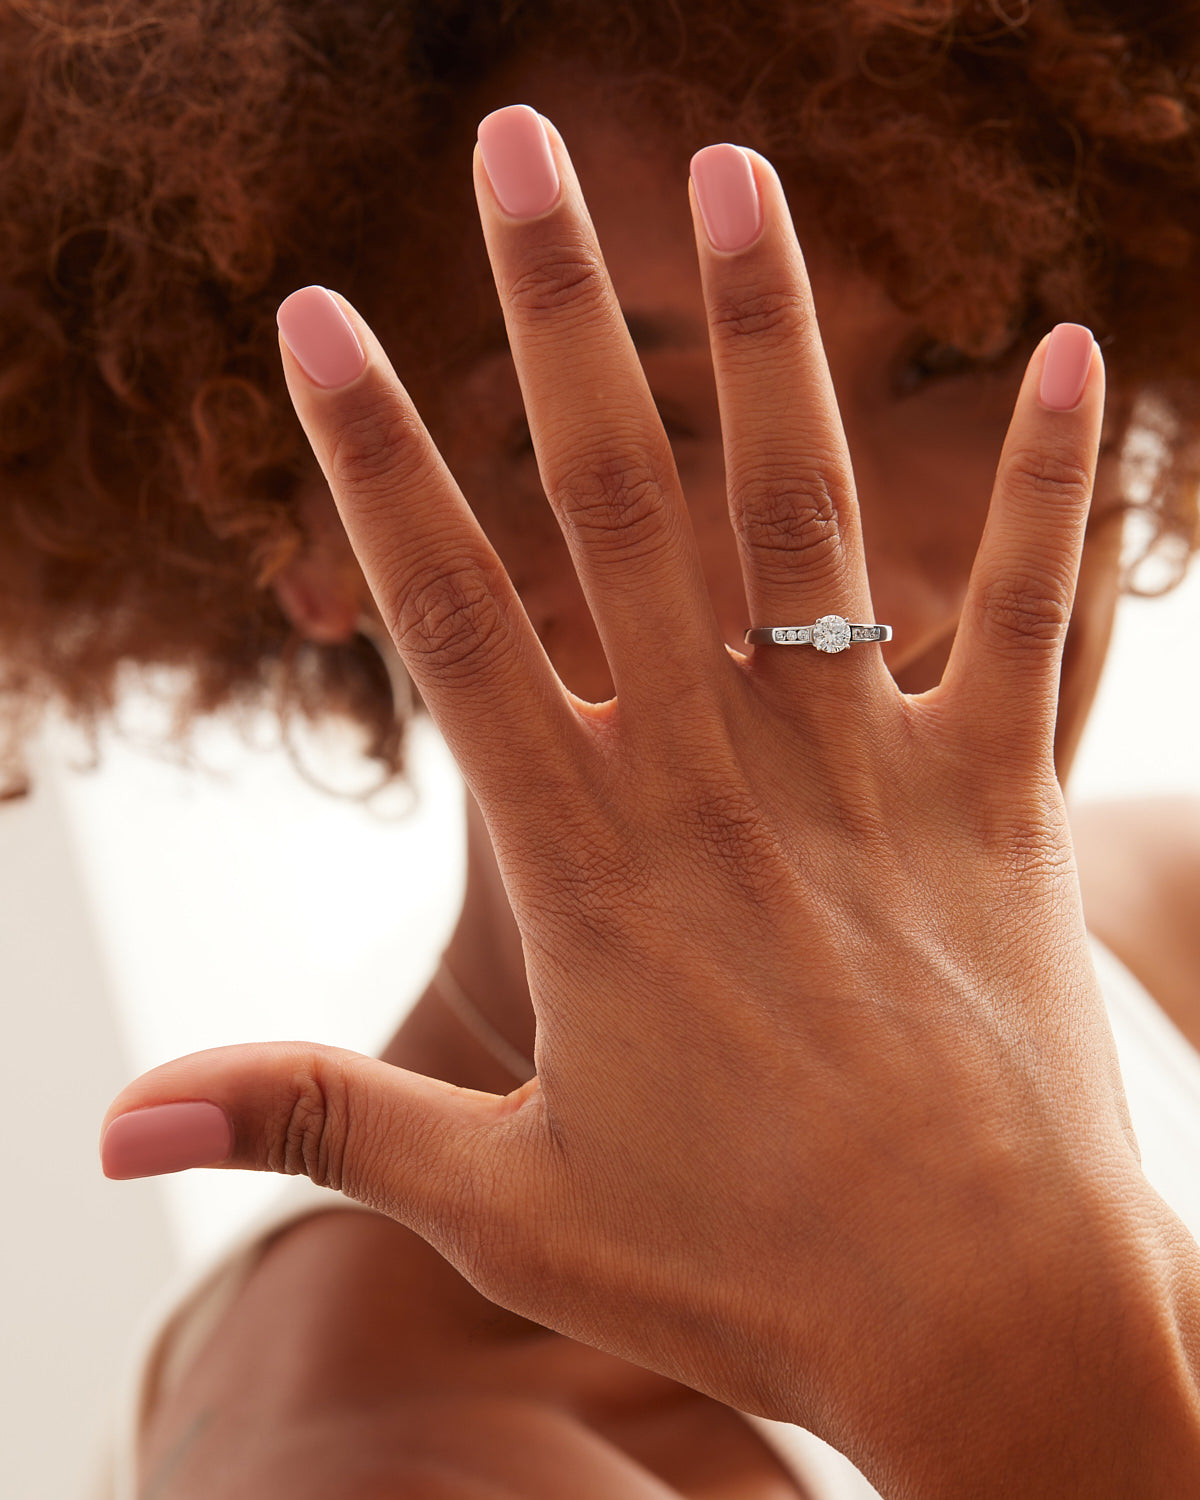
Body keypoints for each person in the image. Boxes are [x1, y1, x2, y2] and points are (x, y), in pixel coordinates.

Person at [1, 2, 1198, 1495]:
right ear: (311, 532)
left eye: (949, 354)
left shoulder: (1165, 923)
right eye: (634, 424)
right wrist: (1035, 1382)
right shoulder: (391, 1464)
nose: (876, 593)